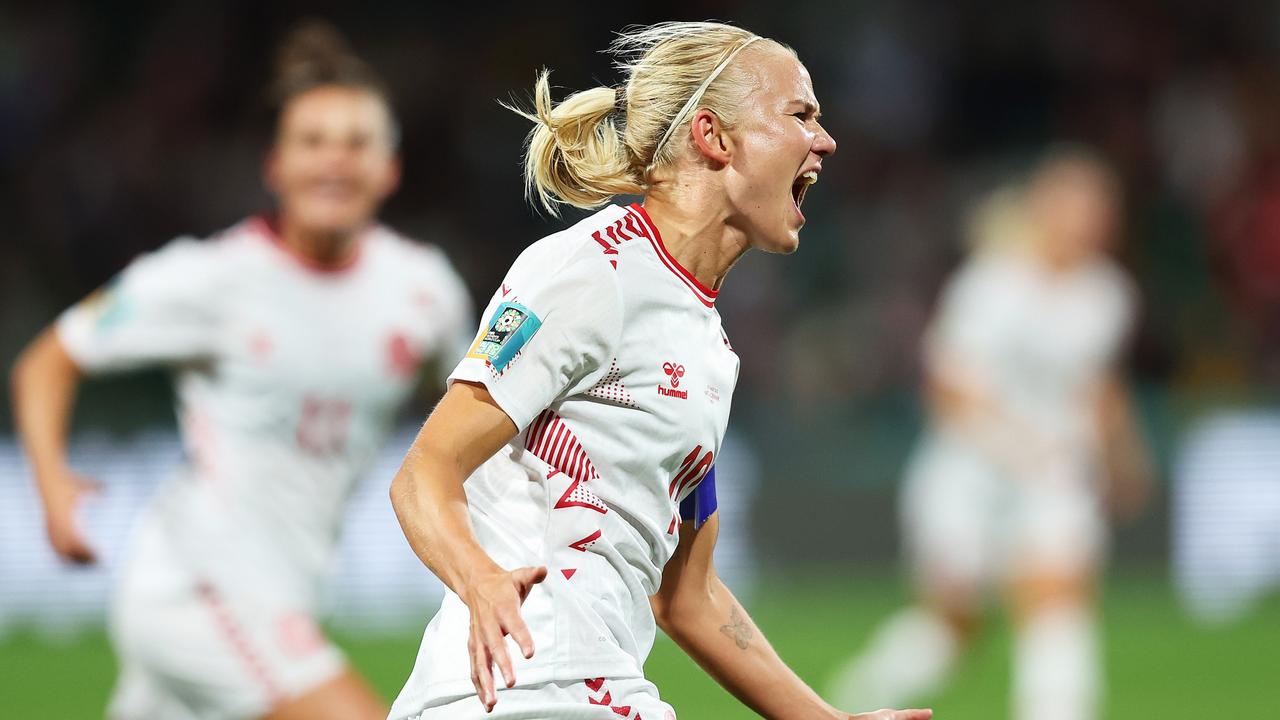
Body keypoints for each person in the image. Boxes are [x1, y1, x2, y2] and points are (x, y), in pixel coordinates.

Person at [386, 21, 930, 720]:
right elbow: (424, 472)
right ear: (714, 136)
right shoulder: (590, 270)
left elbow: (688, 597)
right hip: (525, 688)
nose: (824, 141)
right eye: (800, 114)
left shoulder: (711, 350)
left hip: (595, 689)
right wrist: (481, 580)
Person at [9, 21, 473, 720]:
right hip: (198, 588)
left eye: (356, 144)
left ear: (389, 169)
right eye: (312, 143)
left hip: (286, 591)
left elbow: (476, 418)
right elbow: (50, 358)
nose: (333, 163)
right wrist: (49, 481)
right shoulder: (210, 278)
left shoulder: (425, 292)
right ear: (275, 165)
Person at [826, 149, 1153, 720]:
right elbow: (948, 388)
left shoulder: (1108, 295)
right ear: (1044, 208)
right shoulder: (992, 285)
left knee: (1055, 605)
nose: (1088, 219)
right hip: (969, 475)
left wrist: (1122, 458)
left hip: (1055, 475)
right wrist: (1019, 445)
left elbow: (1099, 387)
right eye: (1074, 204)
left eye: (1099, 207)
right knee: (953, 628)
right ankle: (861, 696)